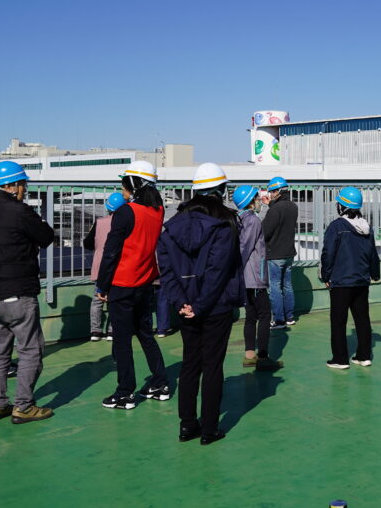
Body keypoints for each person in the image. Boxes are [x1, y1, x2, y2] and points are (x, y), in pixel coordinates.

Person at [159, 162, 246, 446]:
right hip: (216, 306)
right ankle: (209, 429)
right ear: (221, 189)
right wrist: (200, 304)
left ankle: (187, 425)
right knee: (212, 367)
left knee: (190, 364)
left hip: (185, 307)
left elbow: (167, 270)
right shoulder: (224, 224)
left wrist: (182, 302)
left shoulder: (172, 226)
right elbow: (217, 272)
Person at [0, 160, 55, 425]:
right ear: (14, 185)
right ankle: (24, 406)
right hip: (18, 293)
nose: (25, 190)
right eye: (23, 185)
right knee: (30, 350)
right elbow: (46, 236)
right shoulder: (20, 211)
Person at [95, 160, 170, 410]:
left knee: (122, 341)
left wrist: (102, 286)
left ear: (135, 185)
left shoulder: (126, 212)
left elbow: (111, 252)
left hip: (123, 283)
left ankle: (125, 392)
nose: (123, 189)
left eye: (125, 184)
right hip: (145, 282)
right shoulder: (157, 211)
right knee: (145, 334)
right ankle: (160, 383)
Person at [321, 187, 380, 370]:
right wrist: (375, 273)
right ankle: (364, 356)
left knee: (338, 321)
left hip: (341, 281)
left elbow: (328, 253)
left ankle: (340, 359)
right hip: (362, 280)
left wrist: (326, 275)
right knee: (362, 319)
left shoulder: (336, 227)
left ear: (343, 206)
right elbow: (373, 253)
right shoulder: (366, 227)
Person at [233, 184, 281, 370]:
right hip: (254, 277)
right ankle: (262, 357)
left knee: (251, 316)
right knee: (264, 315)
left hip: (247, 278)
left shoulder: (240, 218)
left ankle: (249, 355)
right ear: (249, 202)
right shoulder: (252, 220)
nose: (259, 200)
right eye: (255, 198)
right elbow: (245, 247)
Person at [83, 192, 127, 341]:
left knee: (97, 299)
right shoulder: (125, 223)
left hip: (100, 264)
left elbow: (87, 243)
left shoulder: (99, 222)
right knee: (114, 298)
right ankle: (112, 331)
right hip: (118, 265)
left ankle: (95, 331)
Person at [262, 176, 298, 329]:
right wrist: (271, 205)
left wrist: (270, 207)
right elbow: (281, 216)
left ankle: (279, 320)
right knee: (287, 285)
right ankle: (289, 317)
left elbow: (265, 231)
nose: (270, 194)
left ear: (277, 191)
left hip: (275, 254)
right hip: (289, 253)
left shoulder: (275, 209)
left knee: (275, 287)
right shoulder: (293, 206)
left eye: (271, 192)